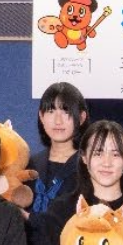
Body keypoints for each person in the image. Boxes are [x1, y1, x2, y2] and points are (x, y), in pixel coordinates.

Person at [27, 81, 89, 216]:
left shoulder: (89, 167)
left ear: (81, 118)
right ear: (41, 116)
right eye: (51, 111)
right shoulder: (31, 164)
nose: (58, 121)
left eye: (66, 111)